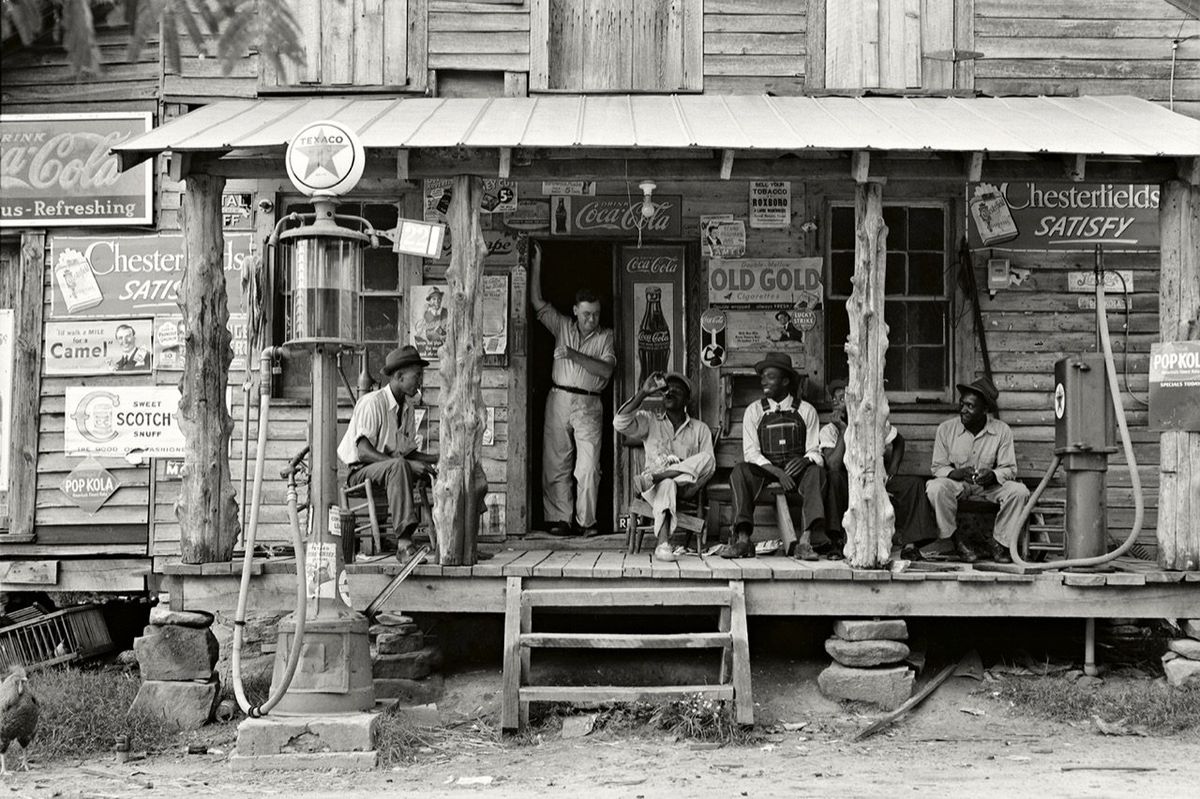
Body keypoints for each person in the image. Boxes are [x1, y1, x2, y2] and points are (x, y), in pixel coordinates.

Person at [338, 345, 476, 563]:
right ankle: (404, 545)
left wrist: (442, 459)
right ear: (399, 376)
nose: (420, 381)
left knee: (451, 466)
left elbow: (409, 453)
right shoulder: (372, 402)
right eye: (417, 376)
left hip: (391, 470)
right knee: (400, 466)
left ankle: (461, 542)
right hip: (360, 472)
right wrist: (406, 465)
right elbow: (363, 452)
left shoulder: (408, 408)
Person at [530, 242, 616, 536]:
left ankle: (586, 521)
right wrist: (538, 261)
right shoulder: (563, 325)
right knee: (556, 463)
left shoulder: (606, 336)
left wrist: (573, 355)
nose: (592, 319)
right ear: (576, 311)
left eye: (596, 314)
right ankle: (560, 519)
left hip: (589, 402)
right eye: (587, 314)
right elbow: (537, 302)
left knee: (589, 466)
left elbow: (606, 370)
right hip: (558, 398)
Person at [721, 352, 827, 560]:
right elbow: (751, 453)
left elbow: (815, 451)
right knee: (739, 471)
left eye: (770, 377)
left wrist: (805, 460)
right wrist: (778, 473)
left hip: (796, 471)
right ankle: (743, 540)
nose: (763, 381)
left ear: (785, 381)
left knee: (817, 473)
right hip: (766, 470)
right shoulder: (754, 411)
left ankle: (804, 542)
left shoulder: (806, 410)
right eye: (762, 377)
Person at [819, 378, 936, 558]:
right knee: (833, 478)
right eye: (835, 399)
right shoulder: (829, 430)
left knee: (914, 484)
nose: (836, 402)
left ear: (855, 400)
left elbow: (899, 441)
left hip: (875, 479)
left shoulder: (872, 423)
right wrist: (844, 430)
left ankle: (911, 546)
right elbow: (833, 465)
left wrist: (892, 470)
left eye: (842, 398)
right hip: (848, 484)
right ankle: (837, 543)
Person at [925, 377, 1030, 563]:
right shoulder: (946, 429)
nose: (963, 410)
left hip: (989, 488)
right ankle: (957, 541)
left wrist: (993, 475)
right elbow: (937, 467)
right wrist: (954, 473)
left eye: (970, 406)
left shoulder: (1002, 431)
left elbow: (1010, 469)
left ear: (985, 410)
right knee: (935, 488)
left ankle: (1000, 544)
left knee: (1019, 492)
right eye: (961, 404)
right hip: (958, 485)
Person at [614, 371, 715, 562]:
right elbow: (619, 423)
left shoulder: (700, 428)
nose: (669, 393)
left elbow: (708, 466)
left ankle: (662, 475)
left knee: (707, 459)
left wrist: (671, 475)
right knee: (668, 483)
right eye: (667, 390)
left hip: (686, 487)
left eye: (677, 391)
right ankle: (663, 544)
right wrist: (643, 393)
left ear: (687, 399)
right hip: (654, 488)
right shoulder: (650, 421)